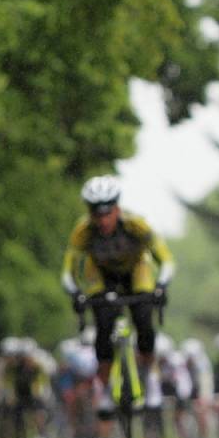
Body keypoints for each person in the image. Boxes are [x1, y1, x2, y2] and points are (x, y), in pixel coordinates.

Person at [60, 175, 175, 416]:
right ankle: (105, 390)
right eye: (96, 213)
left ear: (117, 208)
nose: (102, 219)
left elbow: (165, 259)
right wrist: (76, 293)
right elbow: (68, 271)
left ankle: (150, 380)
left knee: (144, 322)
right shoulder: (83, 232)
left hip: (136, 272)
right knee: (103, 328)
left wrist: (161, 285)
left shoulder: (136, 225)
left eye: (107, 212)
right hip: (102, 276)